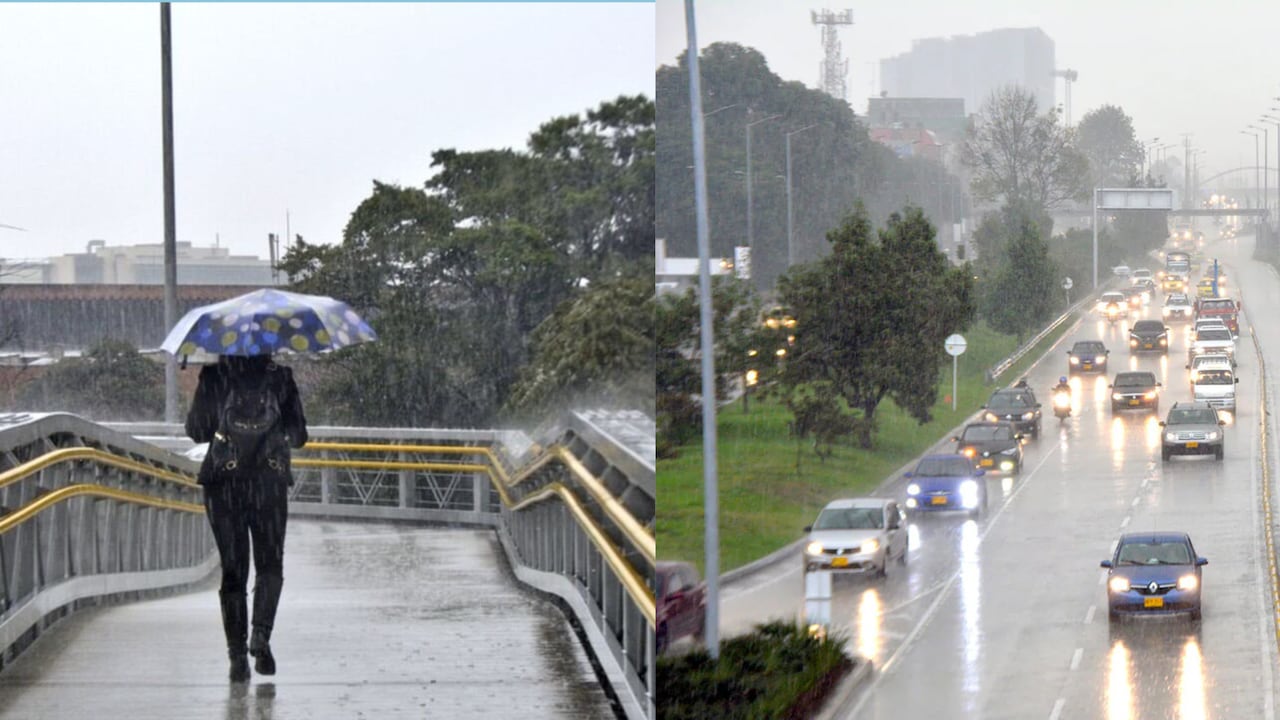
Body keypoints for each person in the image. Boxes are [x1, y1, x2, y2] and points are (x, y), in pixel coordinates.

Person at [185, 354, 307, 682]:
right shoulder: (280, 377)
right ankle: (261, 636)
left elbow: (196, 431)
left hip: (223, 484)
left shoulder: (214, 376)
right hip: (268, 484)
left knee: (233, 571)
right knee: (269, 566)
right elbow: (299, 436)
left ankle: (236, 656)